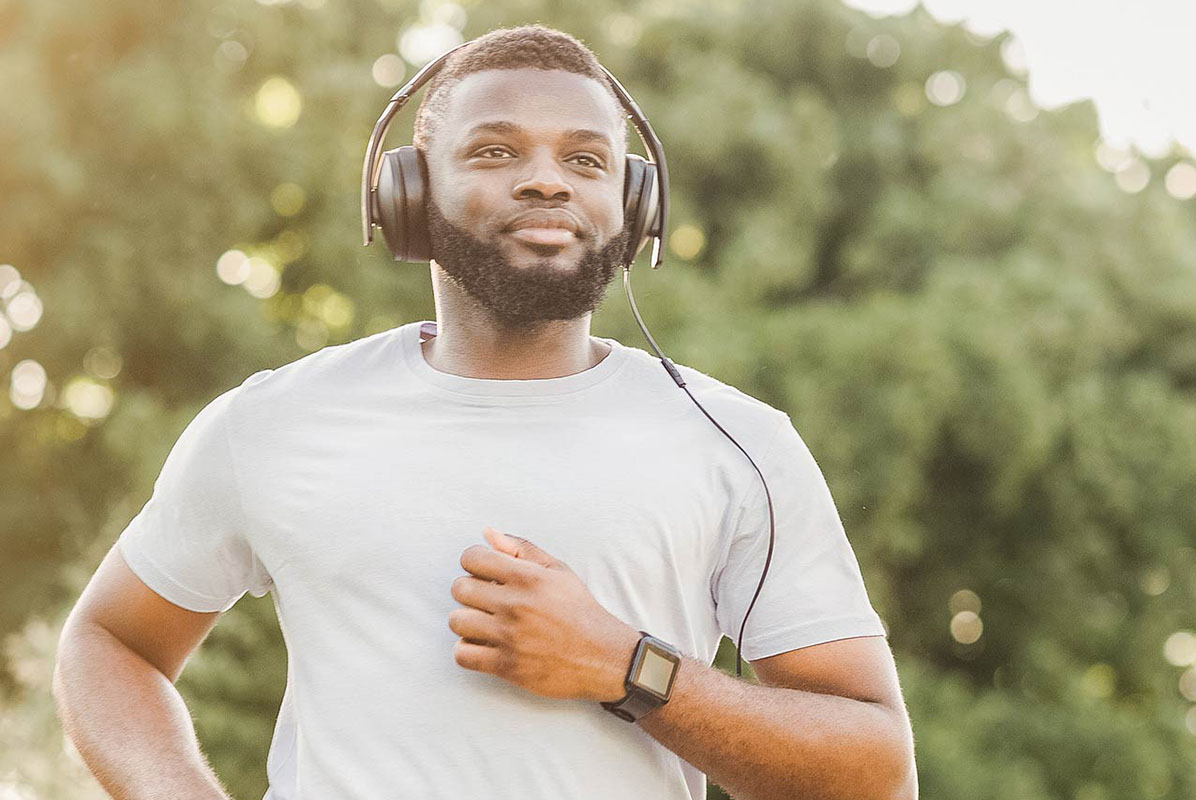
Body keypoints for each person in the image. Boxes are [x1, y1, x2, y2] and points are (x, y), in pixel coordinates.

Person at [52, 24, 917, 800]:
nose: (547, 181)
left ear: (634, 205)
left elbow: (875, 773)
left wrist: (625, 666)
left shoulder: (738, 443)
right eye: (497, 151)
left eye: (585, 160)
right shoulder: (272, 422)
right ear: (409, 193)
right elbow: (109, 644)